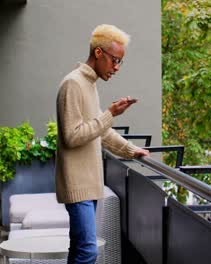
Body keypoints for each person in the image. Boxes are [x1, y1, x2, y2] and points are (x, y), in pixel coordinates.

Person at [55, 24, 150, 264]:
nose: (116, 68)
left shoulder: (90, 85)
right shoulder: (73, 84)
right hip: (78, 186)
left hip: (89, 184)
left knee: (79, 249)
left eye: (120, 62)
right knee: (88, 251)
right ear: (98, 53)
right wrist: (109, 113)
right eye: (114, 60)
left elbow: (102, 132)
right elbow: (72, 136)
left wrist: (131, 150)